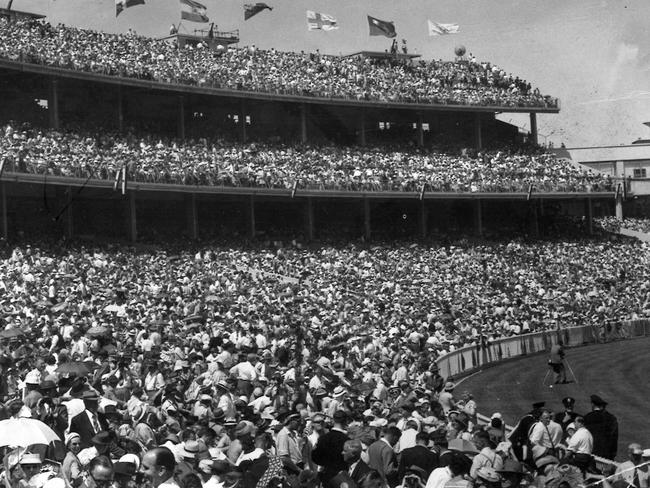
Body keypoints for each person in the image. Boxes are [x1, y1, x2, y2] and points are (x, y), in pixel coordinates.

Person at [312, 410, 350, 487]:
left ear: (333, 420)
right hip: (342, 478)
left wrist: (326, 463)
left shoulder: (323, 438)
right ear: (346, 421)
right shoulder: (346, 440)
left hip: (327, 476)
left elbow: (315, 457)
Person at [583, 395, 618, 461]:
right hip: (607, 453)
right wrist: (613, 454)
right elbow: (614, 437)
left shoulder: (587, 417)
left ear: (593, 404)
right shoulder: (612, 418)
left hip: (591, 452)